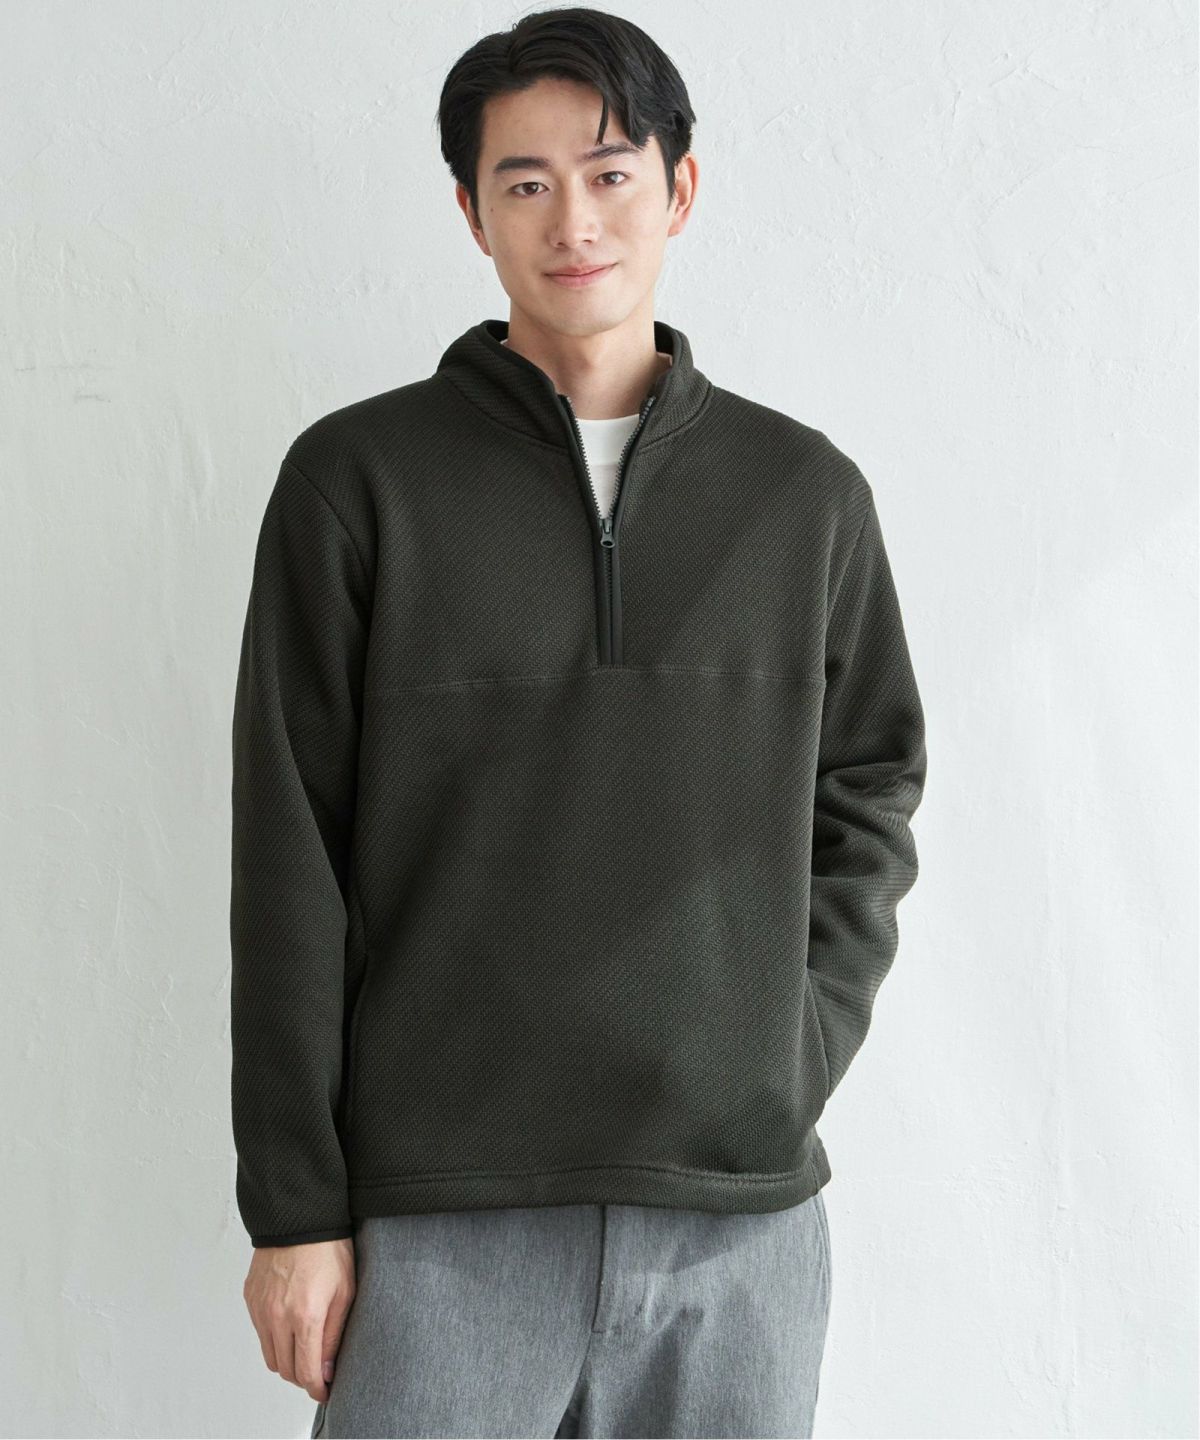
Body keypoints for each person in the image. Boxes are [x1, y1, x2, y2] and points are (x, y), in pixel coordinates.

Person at [230, 9, 927, 1437]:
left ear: (680, 187)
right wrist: (294, 1208)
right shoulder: (357, 483)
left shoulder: (803, 496)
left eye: (610, 174)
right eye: (526, 182)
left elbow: (870, 790)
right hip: (441, 1215)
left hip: (736, 1229)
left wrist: (783, 1051)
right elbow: (289, 851)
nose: (574, 221)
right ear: (471, 212)